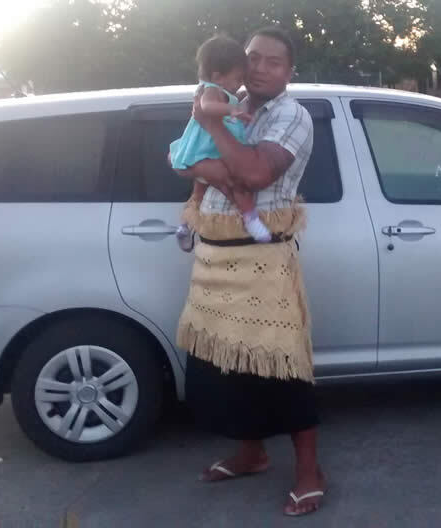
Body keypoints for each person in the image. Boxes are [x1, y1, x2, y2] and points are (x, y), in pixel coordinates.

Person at [174, 26, 325, 517]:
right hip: (213, 259)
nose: (259, 68)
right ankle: (251, 453)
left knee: (282, 369)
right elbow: (182, 161)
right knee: (229, 371)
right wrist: (209, 149)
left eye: (272, 62)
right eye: (253, 57)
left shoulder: (290, 115)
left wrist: (213, 128)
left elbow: (256, 174)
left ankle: (309, 472)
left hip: (263, 264)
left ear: (289, 72)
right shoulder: (226, 102)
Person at [170, 35, 272, 251]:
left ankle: (185, 226)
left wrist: (234, 100)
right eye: (237, 79)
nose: (240, 84)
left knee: (197, 194)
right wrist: (232, 110)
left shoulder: (219, 89)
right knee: (236, 185)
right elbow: (207, 107)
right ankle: (250, 218)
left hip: (203, 153)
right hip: (208, 151)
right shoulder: (210, 90)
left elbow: (226, 98)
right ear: (217, 76)